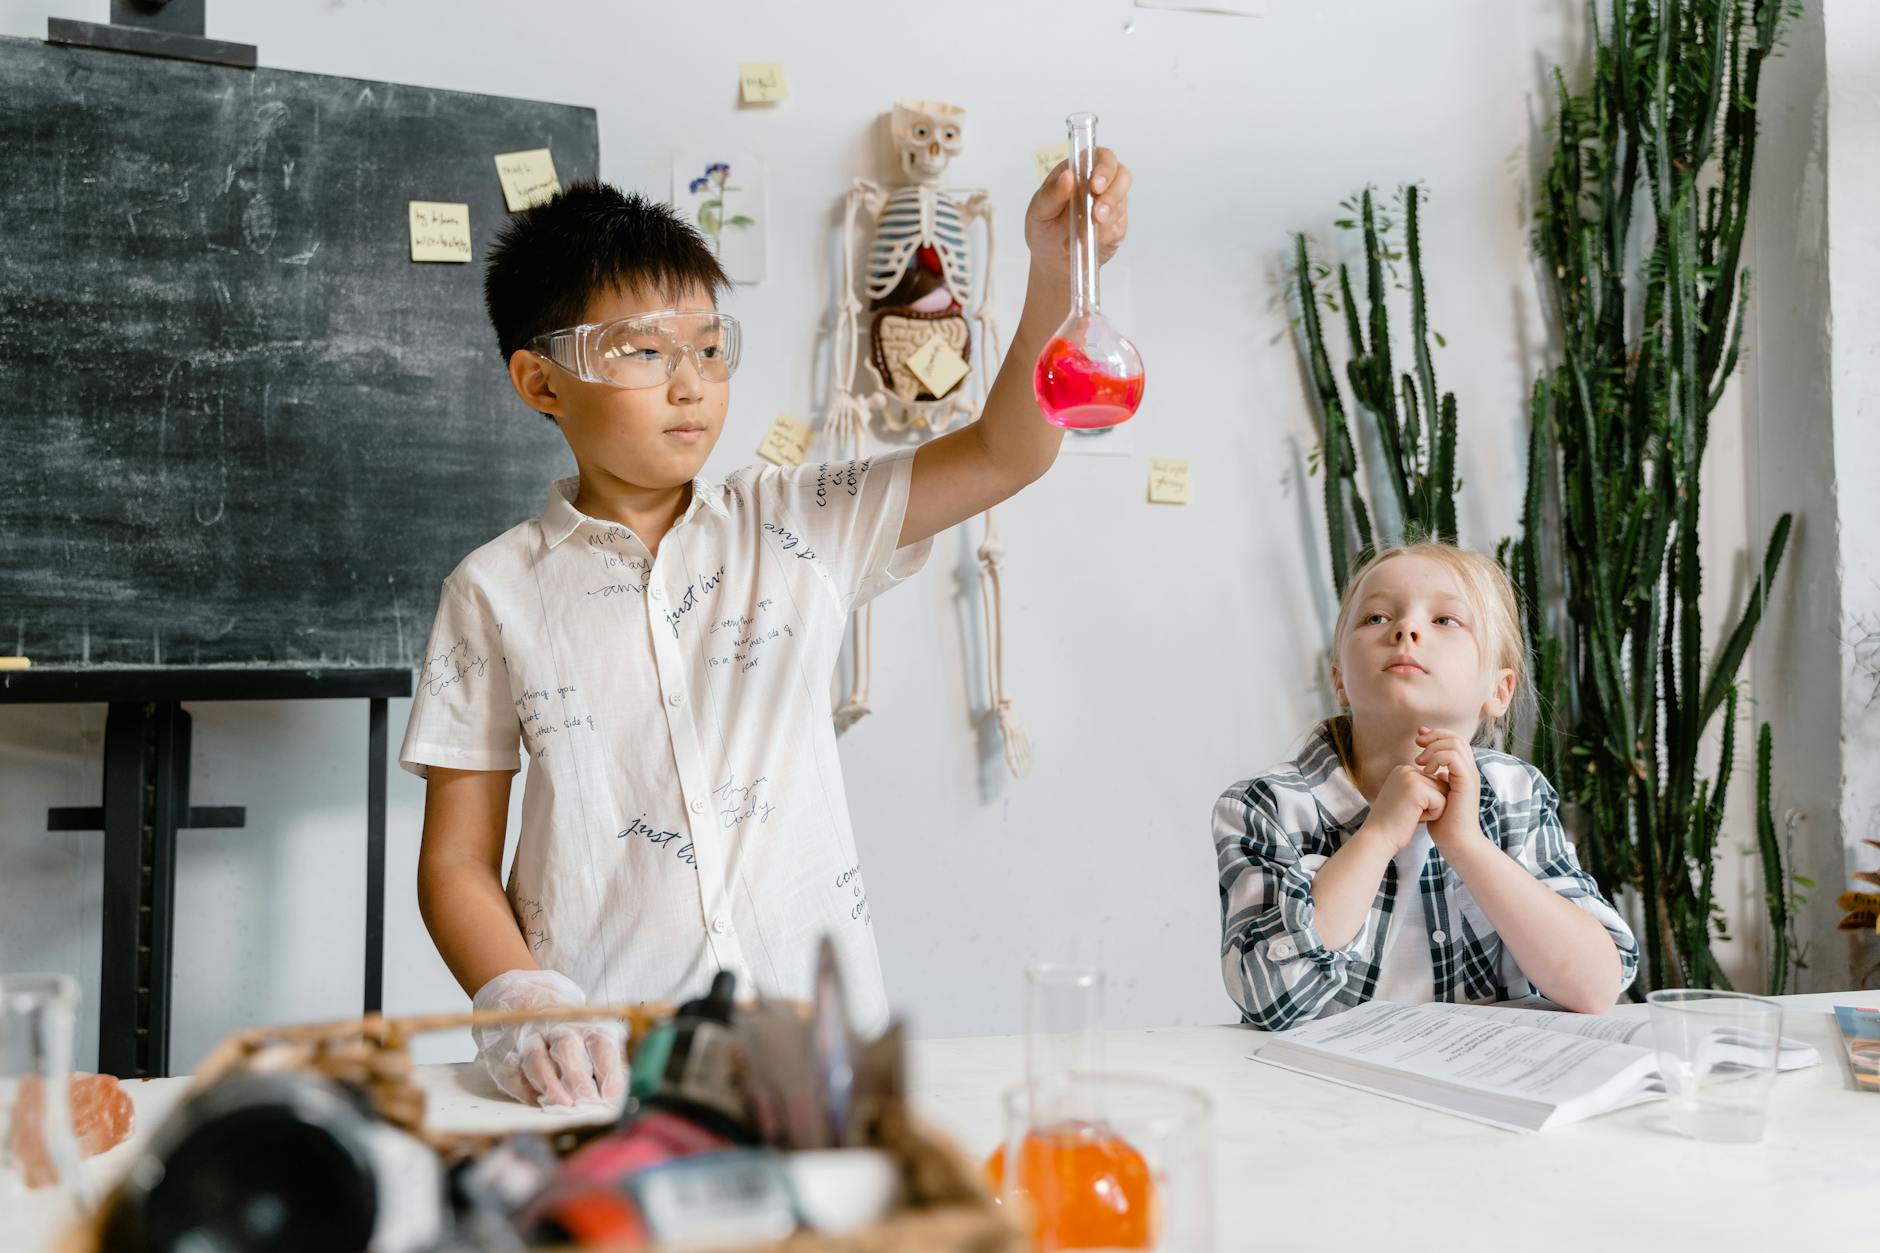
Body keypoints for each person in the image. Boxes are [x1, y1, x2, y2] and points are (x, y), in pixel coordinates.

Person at [401, 156, 1133, 1105]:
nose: (691, 384)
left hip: (817, 1061)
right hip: (610, 1071)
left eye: (710, 348)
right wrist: (526, 999)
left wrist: (1050, 273)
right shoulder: (493, 590)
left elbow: (1007, 451)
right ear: (542, 382)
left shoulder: (800, 522)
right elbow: (457, 858)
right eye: (644, 352)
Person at [1214, 542, 1638, 1030]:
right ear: (1339, 679)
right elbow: (1266, 999)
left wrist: (1466, 844)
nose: (1405, 630)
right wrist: (1377, 837)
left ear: (1499, 690)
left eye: (1446, 621)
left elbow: (1596, 987)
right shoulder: (1265, 806)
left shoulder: (1515, 790)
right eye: (1375, 617)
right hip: (1327, 1094)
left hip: (1485, 1084)